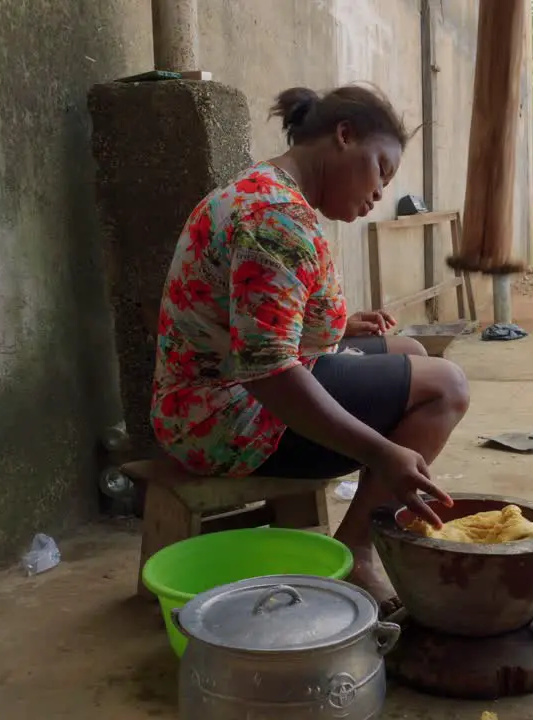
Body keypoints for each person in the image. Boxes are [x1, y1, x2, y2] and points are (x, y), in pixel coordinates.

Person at [151, 84, 468, 611]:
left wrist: (337, 329)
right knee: (446, 387)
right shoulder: (275, 219)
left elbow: (255, 321)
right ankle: (358, 546)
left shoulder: (263, 190)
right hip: (223, 419)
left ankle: (363, 525)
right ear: (344, 137)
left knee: (411, 353)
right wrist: (380, 452)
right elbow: (268, 372)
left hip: (215, 393)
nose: (380, 194)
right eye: (381, 171)